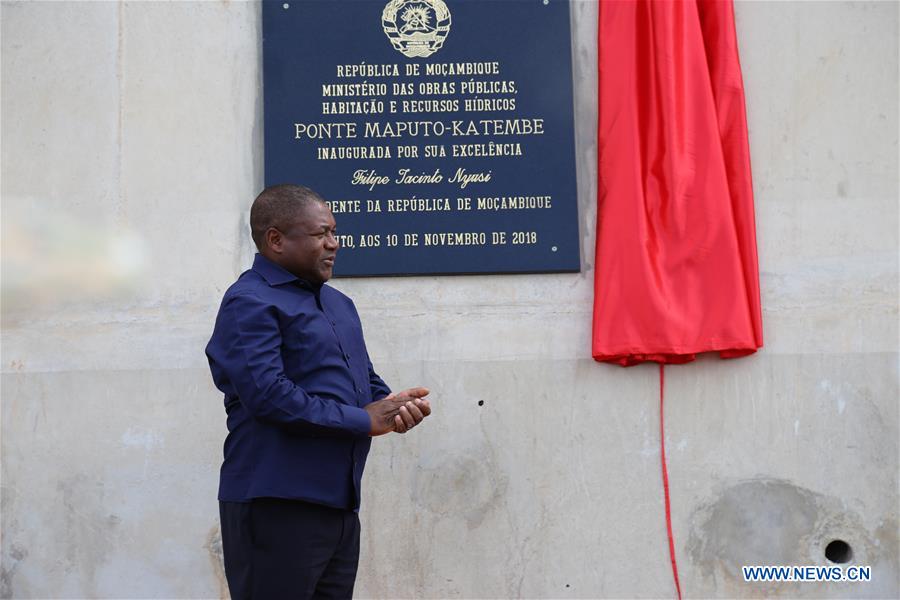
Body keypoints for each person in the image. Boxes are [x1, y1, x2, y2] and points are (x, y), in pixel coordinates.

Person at [205, 184, 431, 599]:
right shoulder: (249, 302)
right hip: (276, 503)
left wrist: (394, 408)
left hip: (339, 506)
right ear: (275, 240)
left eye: (334, 231)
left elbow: (363, 384)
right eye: (320, 233)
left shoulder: (338, 304)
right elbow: (269, 395)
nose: (334, 243)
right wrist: (365, 420)